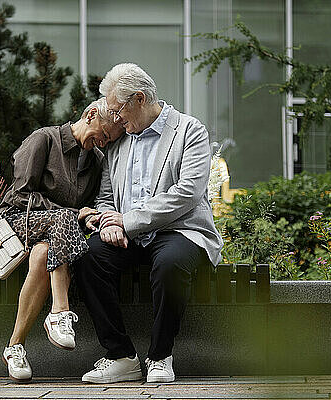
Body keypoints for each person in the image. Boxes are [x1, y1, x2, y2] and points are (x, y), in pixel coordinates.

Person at [74, 63, 223, 384]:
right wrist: (107, 222)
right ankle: (120, 357)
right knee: (89, 257)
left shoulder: (189, 131)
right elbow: (105, 195)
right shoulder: (120, 140)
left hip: (179, 231)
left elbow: (188, 192)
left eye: (117, 110)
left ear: (139, 99)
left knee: (170, 263)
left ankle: (160, 356)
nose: (113, 119)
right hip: (128, 235)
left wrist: (127, 221)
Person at [0, 98, 124, 383]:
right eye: (103, 135)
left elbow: (87, 207)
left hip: (56, 236)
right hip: (19, 221)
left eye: (108, 140)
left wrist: (91, 217)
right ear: (91, 115)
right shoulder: (45, 139)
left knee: (43, 256)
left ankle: (14, 347)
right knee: (64, 218)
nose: (103, 143)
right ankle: (59, 313)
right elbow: (19, 195)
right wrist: (75, 213)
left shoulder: (97, 160)